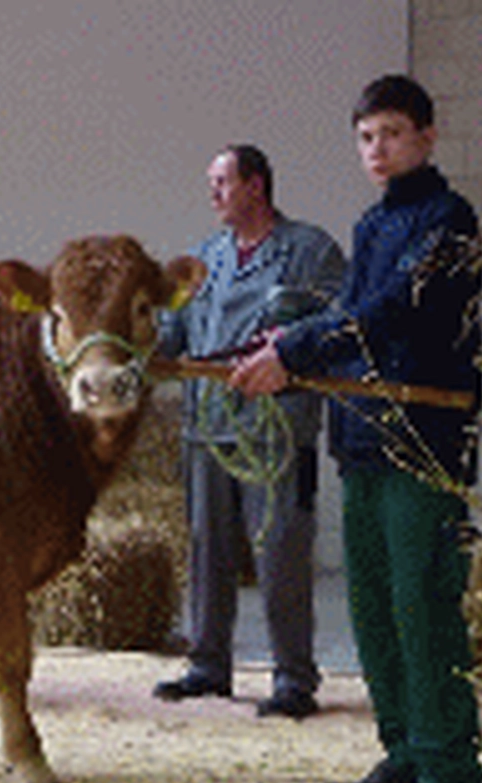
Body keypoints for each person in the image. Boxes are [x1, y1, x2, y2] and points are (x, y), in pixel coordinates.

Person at [230, 74, 482, 783]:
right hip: (366, 438)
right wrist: (285, 350)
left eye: (394, 134)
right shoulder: (372, 225)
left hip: (424, 440)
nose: (378, 149)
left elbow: (393, 311)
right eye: (367, 138)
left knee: (423, 604)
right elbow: (348, 320)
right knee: (374, 608)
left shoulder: (450, 220)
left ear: (427, 137)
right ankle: (404, 752)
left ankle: (452, 773)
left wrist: (303, 342)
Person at [153, 145, 346, 720]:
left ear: (256, 186)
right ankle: (207, 664)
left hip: (278, 432)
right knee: (207, 547)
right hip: (208, 428)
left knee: (280, 549)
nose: (213, 194)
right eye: (210, 183)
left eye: (222, 182)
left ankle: (293, 680)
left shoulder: (311, 252)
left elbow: (338, 325)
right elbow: (174, 334)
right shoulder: (204, 259)